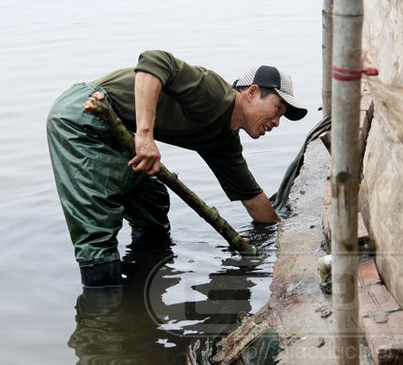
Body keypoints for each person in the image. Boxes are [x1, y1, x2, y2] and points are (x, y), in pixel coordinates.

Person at [46, 50, 307, 289]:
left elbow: (252, 199)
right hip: (83, 115)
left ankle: (139, 296)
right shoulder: (214, 93)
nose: (276, 122)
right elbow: (154, 61)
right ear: (251, 93)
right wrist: (145, 135)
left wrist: (286, 240)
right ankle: (101, 311)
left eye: (282, 117)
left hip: (118, 131)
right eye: (277, 109)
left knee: (153, 204)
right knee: (97, 221)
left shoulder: (223, 142)